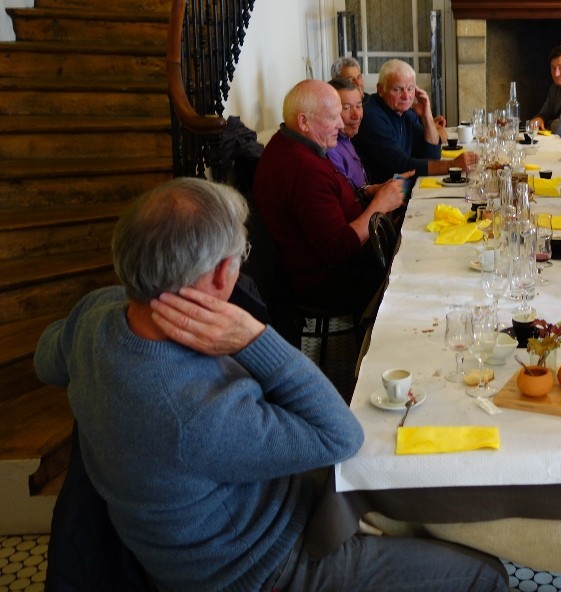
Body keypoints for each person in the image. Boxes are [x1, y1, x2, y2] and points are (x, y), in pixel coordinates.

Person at [34, 178, 508, 592]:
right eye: (240, 256)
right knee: (485, 575)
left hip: (248, 511)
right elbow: (340, 436)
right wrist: (255, 339)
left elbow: (44, 361)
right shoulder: (195, 412)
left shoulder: (96, 316)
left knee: (409, 497)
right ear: (220, 276)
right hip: (265, 565)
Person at [253, 79, 406, 314]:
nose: (341, 124)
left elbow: (328, 200)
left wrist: (366, 193)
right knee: (412, 265)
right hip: (328, 282)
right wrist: (379, 205)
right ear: (303, 121)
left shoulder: (288, 143)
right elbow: (337, 249)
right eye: (333, 117)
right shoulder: (302, 168)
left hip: (334, 267)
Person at [353, 59, 471, 184]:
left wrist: (427, 115)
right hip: (384, 191)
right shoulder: (371, 117)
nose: (406, 96)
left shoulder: (407, 113)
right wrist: (453, 165)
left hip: (403, 186)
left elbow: (431, 155)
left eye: (410, 89)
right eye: (397, 89)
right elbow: (401, 165)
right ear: (381, 89)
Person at [326, 76, 369, 189]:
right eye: (346, 108)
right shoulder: (330, 149)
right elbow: (347, 197)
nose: (356, 115)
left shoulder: (346, 137)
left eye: (359, 106)